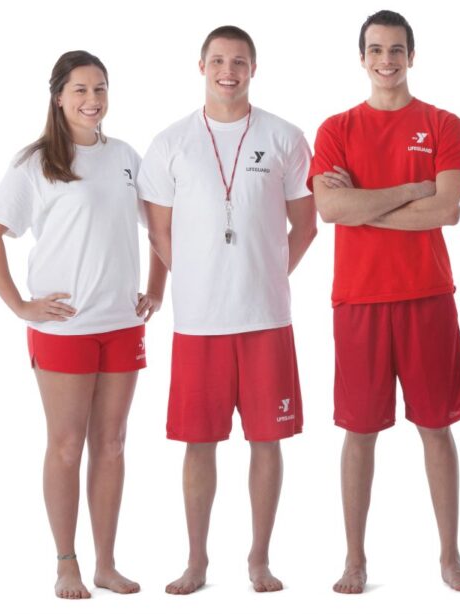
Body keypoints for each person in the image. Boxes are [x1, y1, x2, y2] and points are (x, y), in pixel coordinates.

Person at [0, 50, 166, 600]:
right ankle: (66, 564)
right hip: (63, 328)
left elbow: (159, 229)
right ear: (58, 96)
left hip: (122, 324)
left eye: (100, 89)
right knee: (66, 445)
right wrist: (20, 305)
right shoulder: (36, 163)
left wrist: (155, 290)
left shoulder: (127, 156)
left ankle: (106, 563)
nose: (92, 100)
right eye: (80, 90)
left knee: (113, 443)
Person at [138, 25, 317, 595]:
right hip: (199, 322)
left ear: (253, 68)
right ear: (201, 66)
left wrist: (268, 271)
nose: (228, 71)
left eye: (239, 61)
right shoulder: (170, 143)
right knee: (199, 442)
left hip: (265, 319)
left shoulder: (285, 136)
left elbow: (307, 223)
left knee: (268, 440)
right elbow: (158, 231)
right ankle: (196, 562)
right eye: (218, 60)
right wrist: (192, 275)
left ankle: (259, 560)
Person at [308, 10, 460, 595]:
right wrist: (412, 188)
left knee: (437, 429)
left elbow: (448, 211)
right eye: (376, 50)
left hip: (428, 296)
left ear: (412, 56)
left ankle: (450, 557)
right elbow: (331, 211)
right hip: (358, 300)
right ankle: (354, 559)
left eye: (397, 50)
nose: (387, 60)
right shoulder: (335, 129)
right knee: (359, 431)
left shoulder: (444, 123)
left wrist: (365, 199)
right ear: (362, 58)